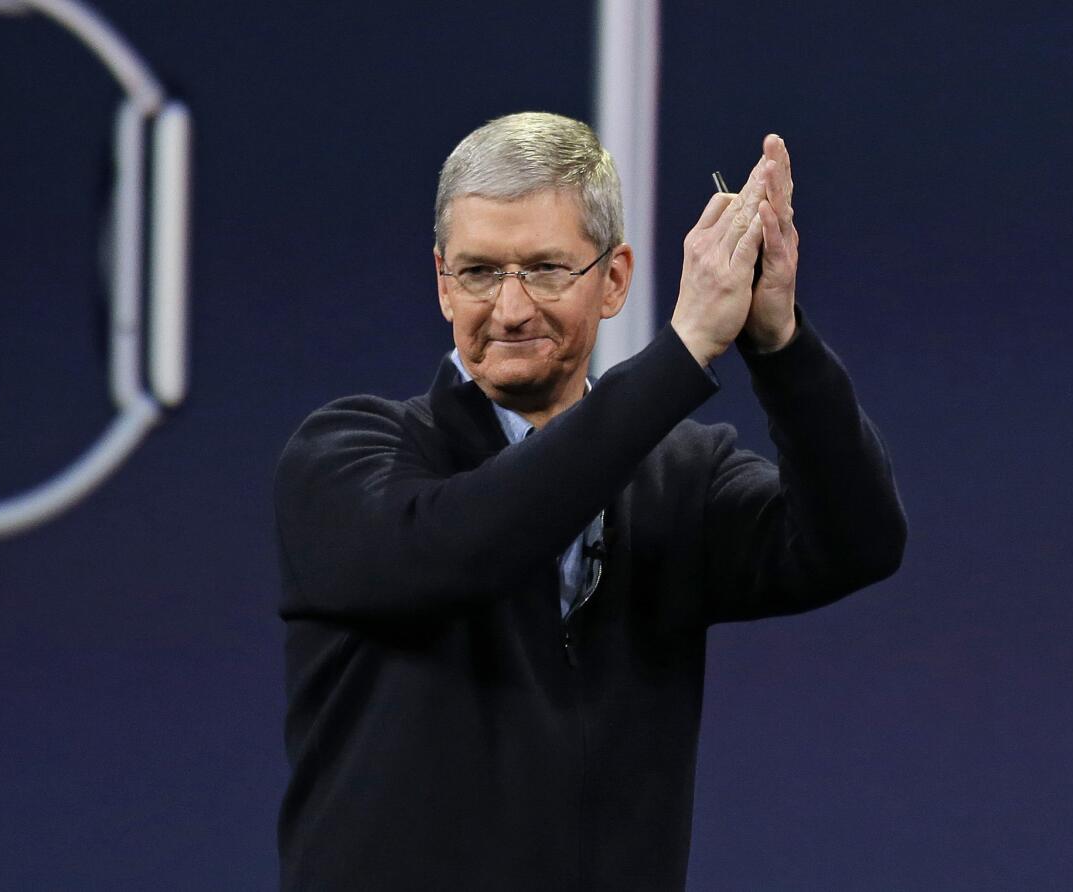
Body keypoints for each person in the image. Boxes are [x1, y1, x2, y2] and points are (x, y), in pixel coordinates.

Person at [274, 111, 906, 891]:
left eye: (545, 269)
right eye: (477, 272)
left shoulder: (680, 476)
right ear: (442, 282)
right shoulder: (346, 455)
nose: (509, 309)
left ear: (613, 280)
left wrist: (780, 344)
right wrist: (679, 355)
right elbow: (468, 547)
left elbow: (858, 541)